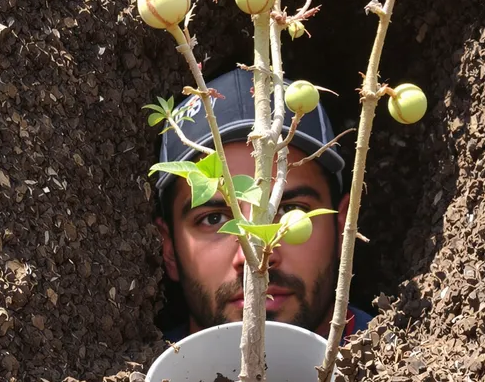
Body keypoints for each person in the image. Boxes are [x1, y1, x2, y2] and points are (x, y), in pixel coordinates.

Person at [153, 68, 373, 343]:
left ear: (344, 229)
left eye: (288, 211)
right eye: (214, 219)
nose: (255, 257)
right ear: (169, 249)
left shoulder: (408, 368)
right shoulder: (143, 377)